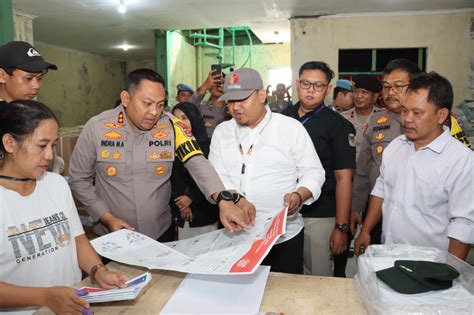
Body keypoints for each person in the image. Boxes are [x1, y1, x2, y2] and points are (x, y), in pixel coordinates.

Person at [68, 68, 255, 242]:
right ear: (126, 98)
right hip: (112, 234)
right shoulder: (97, 128)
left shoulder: (172, 126)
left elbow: (197, 162)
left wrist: (223, 200)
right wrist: (106, 217)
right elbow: (79, 179)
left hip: (161, 234)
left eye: (160, 105)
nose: (154, 112)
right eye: (147, 104)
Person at [0, 100, 128, 314]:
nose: (50, 155)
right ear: (10, 143)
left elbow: (77, 239)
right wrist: (45, 297)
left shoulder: (56, 184)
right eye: (42, 145)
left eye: (53, 145)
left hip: (72, 306)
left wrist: (98, 271)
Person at [209, 68, 325, 274]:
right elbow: (217, 176)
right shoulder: (222, 132)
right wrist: (235, 200)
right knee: (237, 298)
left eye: (242, 99)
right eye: (231, 101)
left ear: (262, 95)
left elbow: (313, 172)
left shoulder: (290, 128)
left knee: (283, 298)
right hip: (234, 235)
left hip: (282, 238)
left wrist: (299, 196)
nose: (236, 107)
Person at [354, 72, 474, 261]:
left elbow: (464, 224)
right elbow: (381, 189)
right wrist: (366, 230)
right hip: (388, 255)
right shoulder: (396, 147)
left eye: (417, 113)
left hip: (430, 265)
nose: (407, 119)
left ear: (441, 115)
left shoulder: (461, 159)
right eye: (404, 110)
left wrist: (448, 272)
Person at [282, 61, 355, 277]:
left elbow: (344, 179)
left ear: (328, 89)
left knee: (317, 275)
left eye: (318, 85)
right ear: (297, 84)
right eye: (306, 83)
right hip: (283, 212)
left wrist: (341, 228)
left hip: (320, 214)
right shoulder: (281, 119)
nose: (311, 90)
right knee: (286, 275)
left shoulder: (338, 126)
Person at [350, 59, 422, 245]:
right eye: (386, 87)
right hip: (377, 212)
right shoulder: (377, 120)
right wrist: (356, 207)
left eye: (398, 86)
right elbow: (363, 170)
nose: (390, 93)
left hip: (418, 217)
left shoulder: (431, 122)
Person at [170, 102, 219, 239]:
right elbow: (170, 179)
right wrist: (182, 205)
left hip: (205, 212)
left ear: (193, 118)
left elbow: (212, 177)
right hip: (181, 213)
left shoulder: (208, 145)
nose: (179, 122)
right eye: (175, 119)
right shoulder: (170, 146)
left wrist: (190, 198)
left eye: (184, 118)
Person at [341, 75, 383, 160]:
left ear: (375, 97)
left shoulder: (383, 118)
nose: (359, 96)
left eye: (364, 92)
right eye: (356, 91)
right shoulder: (342, 118)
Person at [190, 70, 226, 138]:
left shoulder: (232, 110)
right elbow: (186, 109)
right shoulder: (202, 109)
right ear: (209, 87)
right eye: (216, 83)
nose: (219, 86)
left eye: (222, 83)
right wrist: (204, 87)